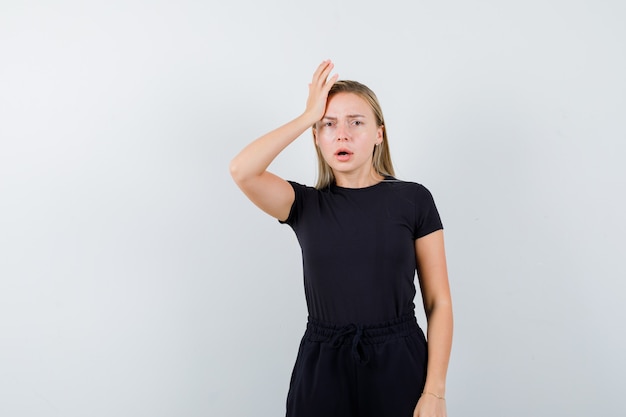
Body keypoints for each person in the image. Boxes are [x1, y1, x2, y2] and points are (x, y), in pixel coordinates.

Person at [229, 60, 453, 417]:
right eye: (328, 125)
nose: (342, 134)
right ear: (317, 138)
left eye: (356, 122)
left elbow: (438, 301)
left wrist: (435, 392)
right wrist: (307, 116)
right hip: (323, 368)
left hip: (400, 363)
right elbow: (242, 170)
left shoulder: (413, 200)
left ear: (380, 133)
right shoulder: (304, 204)